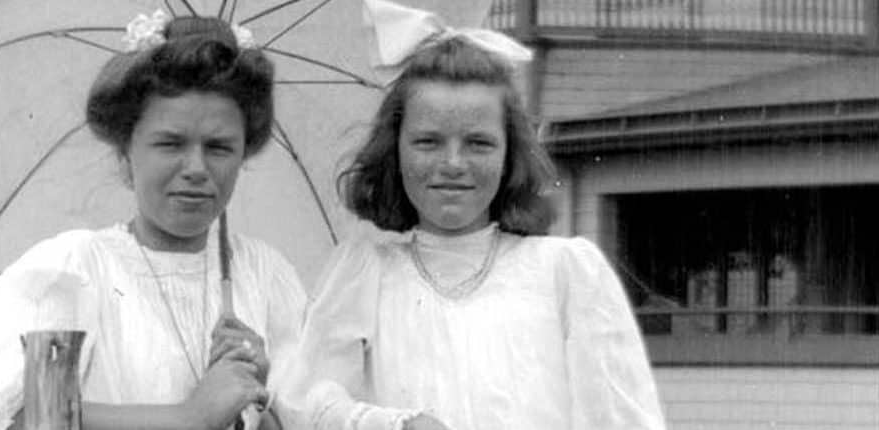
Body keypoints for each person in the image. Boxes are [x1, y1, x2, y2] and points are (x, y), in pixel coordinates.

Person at [284, 1, 666, 429]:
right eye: (428, 142)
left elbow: (622, 419)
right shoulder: (365, 275)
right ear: (394, 150)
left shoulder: (564, 274)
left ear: (509, 155)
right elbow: (305, 405)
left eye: (478, 143)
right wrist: (391, 424)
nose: (453, 163)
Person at [0, 11, 307, 430]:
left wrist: (258, 399)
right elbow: (26, 418)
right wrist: (187, 417)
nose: (197, 167)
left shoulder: (264, 276)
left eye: (219, 147)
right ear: (126, 156)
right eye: (170, 143)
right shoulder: (74, 271)